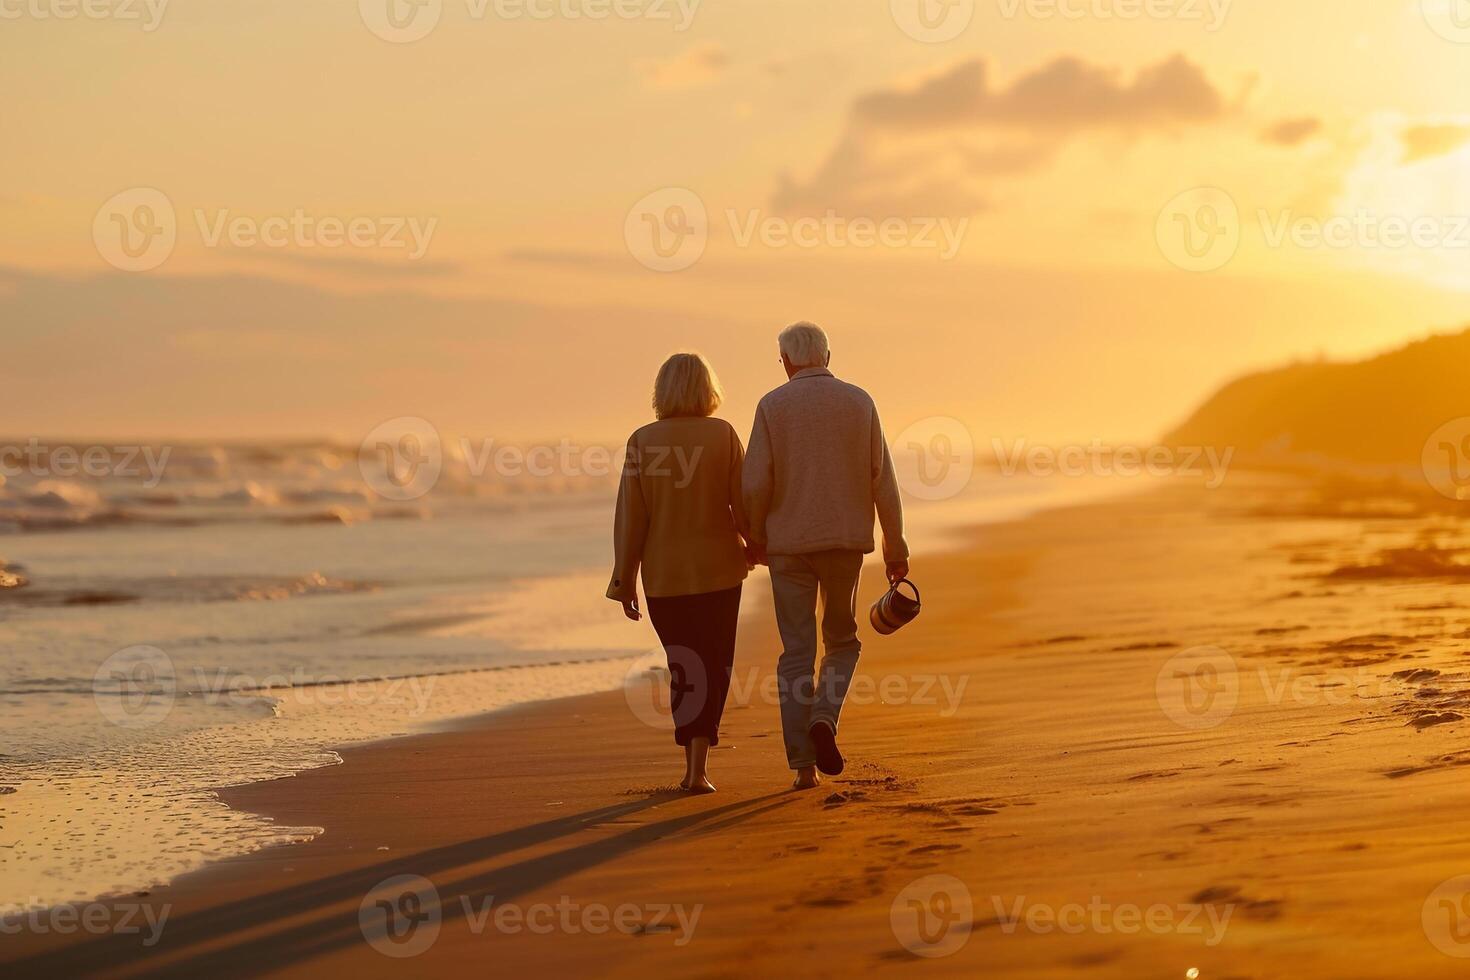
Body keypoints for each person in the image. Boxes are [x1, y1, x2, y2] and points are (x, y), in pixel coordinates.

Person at [743, 322, 910, 790]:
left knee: (796, 652)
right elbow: (882, 478)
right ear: (828, 356)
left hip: (788, 548)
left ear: (787, 362)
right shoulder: (859, 402)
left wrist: (755, 536)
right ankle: (825, 718)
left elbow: (755, 481)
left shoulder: (772, 406)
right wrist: (895, 543)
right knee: (842, 641)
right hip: (843, 542)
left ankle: (803, 767)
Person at [608, 352, 753, 794]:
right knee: (715, 665)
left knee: (684, 667)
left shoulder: (641, 441)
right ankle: (698, 768)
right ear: (707, 390)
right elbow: (742, 502)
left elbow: (632, 517)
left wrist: (624, 578)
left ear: (662, 391)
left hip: (665, 577)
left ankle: (693, 769)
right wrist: (755, 543)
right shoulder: (723, 435)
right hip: (719, 572)